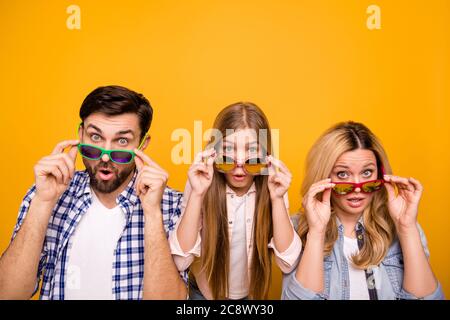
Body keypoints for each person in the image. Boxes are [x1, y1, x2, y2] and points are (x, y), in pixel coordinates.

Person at [0, 85, 187, 300]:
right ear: (80, 134)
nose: (105, 157)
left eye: (122, 140)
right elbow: (7, 294)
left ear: (142, 145)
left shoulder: (172, 204)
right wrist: (43, 202)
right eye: (96, 137)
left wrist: (153, 213)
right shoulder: (46, 193)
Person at [282, 121, 444, 300]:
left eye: (367, 172)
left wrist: (407, 227)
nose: (357, 188)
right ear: (324, 176)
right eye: (343, 174)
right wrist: (317, 232)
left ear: (381, 174)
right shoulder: (295, 229)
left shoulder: (402, 225)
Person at [169, 102, 301, 299]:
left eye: (251, 150)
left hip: (250, 296)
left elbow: (287, 262)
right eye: (230, 149)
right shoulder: (201, 184)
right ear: (214, 150)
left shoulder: (274, 185)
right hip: (203, 294)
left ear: (266, 154)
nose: (240, 163)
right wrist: (197, 194)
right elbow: (181, 261)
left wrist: (278, 199)